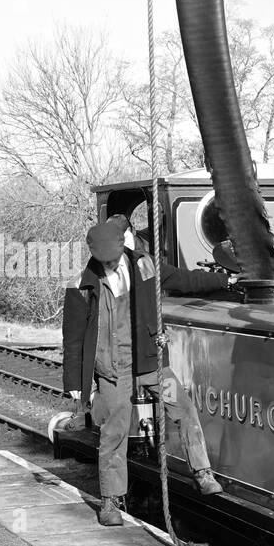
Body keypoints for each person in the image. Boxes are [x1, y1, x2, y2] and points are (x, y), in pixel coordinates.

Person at [62, 215, 231, 526]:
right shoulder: (80, 286)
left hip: (150, 364)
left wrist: (226, 281)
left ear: (122, 248)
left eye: (114, 260)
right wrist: (73, 381)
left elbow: (184, 280)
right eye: (105, 263)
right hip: (112, 371)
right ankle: (111, 502)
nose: (111, 267)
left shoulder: (145, 266)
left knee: (182, 408)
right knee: (114, 432)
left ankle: (202, 472)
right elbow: (72, 338)